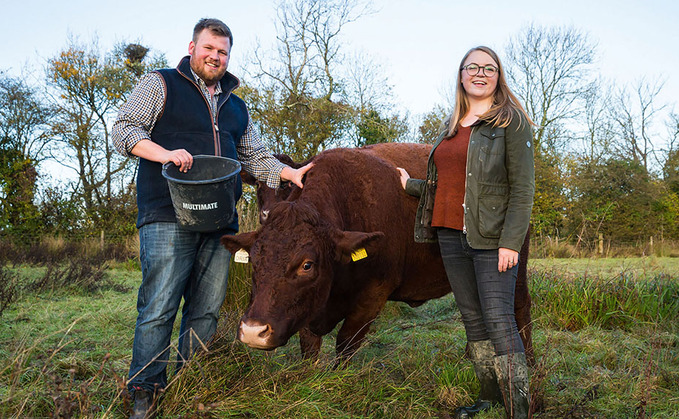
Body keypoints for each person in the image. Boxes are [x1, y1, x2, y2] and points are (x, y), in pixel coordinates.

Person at [112, 18, 312, 418]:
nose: (215, 57)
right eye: (209, 49)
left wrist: (288, 173)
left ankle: (191, 385)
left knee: (206, 310)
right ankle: (145, 391)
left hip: (220, 222)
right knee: (159, 305)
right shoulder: (162, 84)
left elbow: (253, 155)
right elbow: (123, 129)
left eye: (222, 52)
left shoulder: (236, 105)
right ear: (192, 47)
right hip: (167, 214)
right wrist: (165, 153)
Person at [397, 46, 535, 419]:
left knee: (498, 318)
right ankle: (489, 398)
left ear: (497, 76)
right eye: (472, 67)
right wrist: (412, 185)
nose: (480, 73)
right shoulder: (452, 127)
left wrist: (510, 242)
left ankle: (518, 410)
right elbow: (451, 184)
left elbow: (522, 190)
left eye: (488, 68)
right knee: (473, 319)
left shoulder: (511, 122)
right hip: (449, 235)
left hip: (492, 238)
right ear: (460, 75)